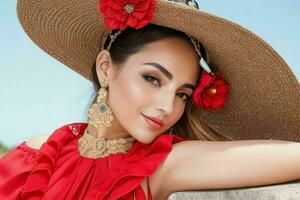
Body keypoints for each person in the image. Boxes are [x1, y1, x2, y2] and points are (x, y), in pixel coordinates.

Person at [0, 0, 300, 199]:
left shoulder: (161, 165)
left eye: (182, 93)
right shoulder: (38, 153)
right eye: (153, 79)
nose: (168, 107)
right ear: (106, 67)